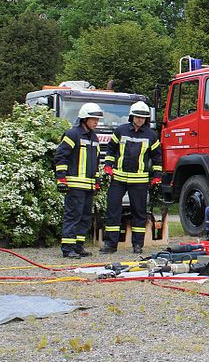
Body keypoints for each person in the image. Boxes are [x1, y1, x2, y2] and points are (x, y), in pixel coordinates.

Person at [100, 101, 162, 254]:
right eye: (137, 116)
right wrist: (108, 165)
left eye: (143, 117)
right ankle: (110, 245)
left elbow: (157, 158)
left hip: (139, 180)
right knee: (113, 210)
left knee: (139, 213)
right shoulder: (120, 131)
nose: (140, 119)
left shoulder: (151, 135)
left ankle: (138, 245)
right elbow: (111, 149)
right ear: (132, 116)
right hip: (118, 178)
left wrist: (157, 176)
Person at [54, 103, 104, 258]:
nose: (96, 122)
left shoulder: (94, 137)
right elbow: (60, 156)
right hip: (74, 184)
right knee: (73, 216)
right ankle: (67, 248)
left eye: (97, 119)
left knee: (85, 217)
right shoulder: (72, 134)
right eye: (93, 119)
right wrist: (61, 178)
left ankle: (78, 246)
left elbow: (95, 162)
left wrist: (96, 181)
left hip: (88, 186)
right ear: (84, 119)